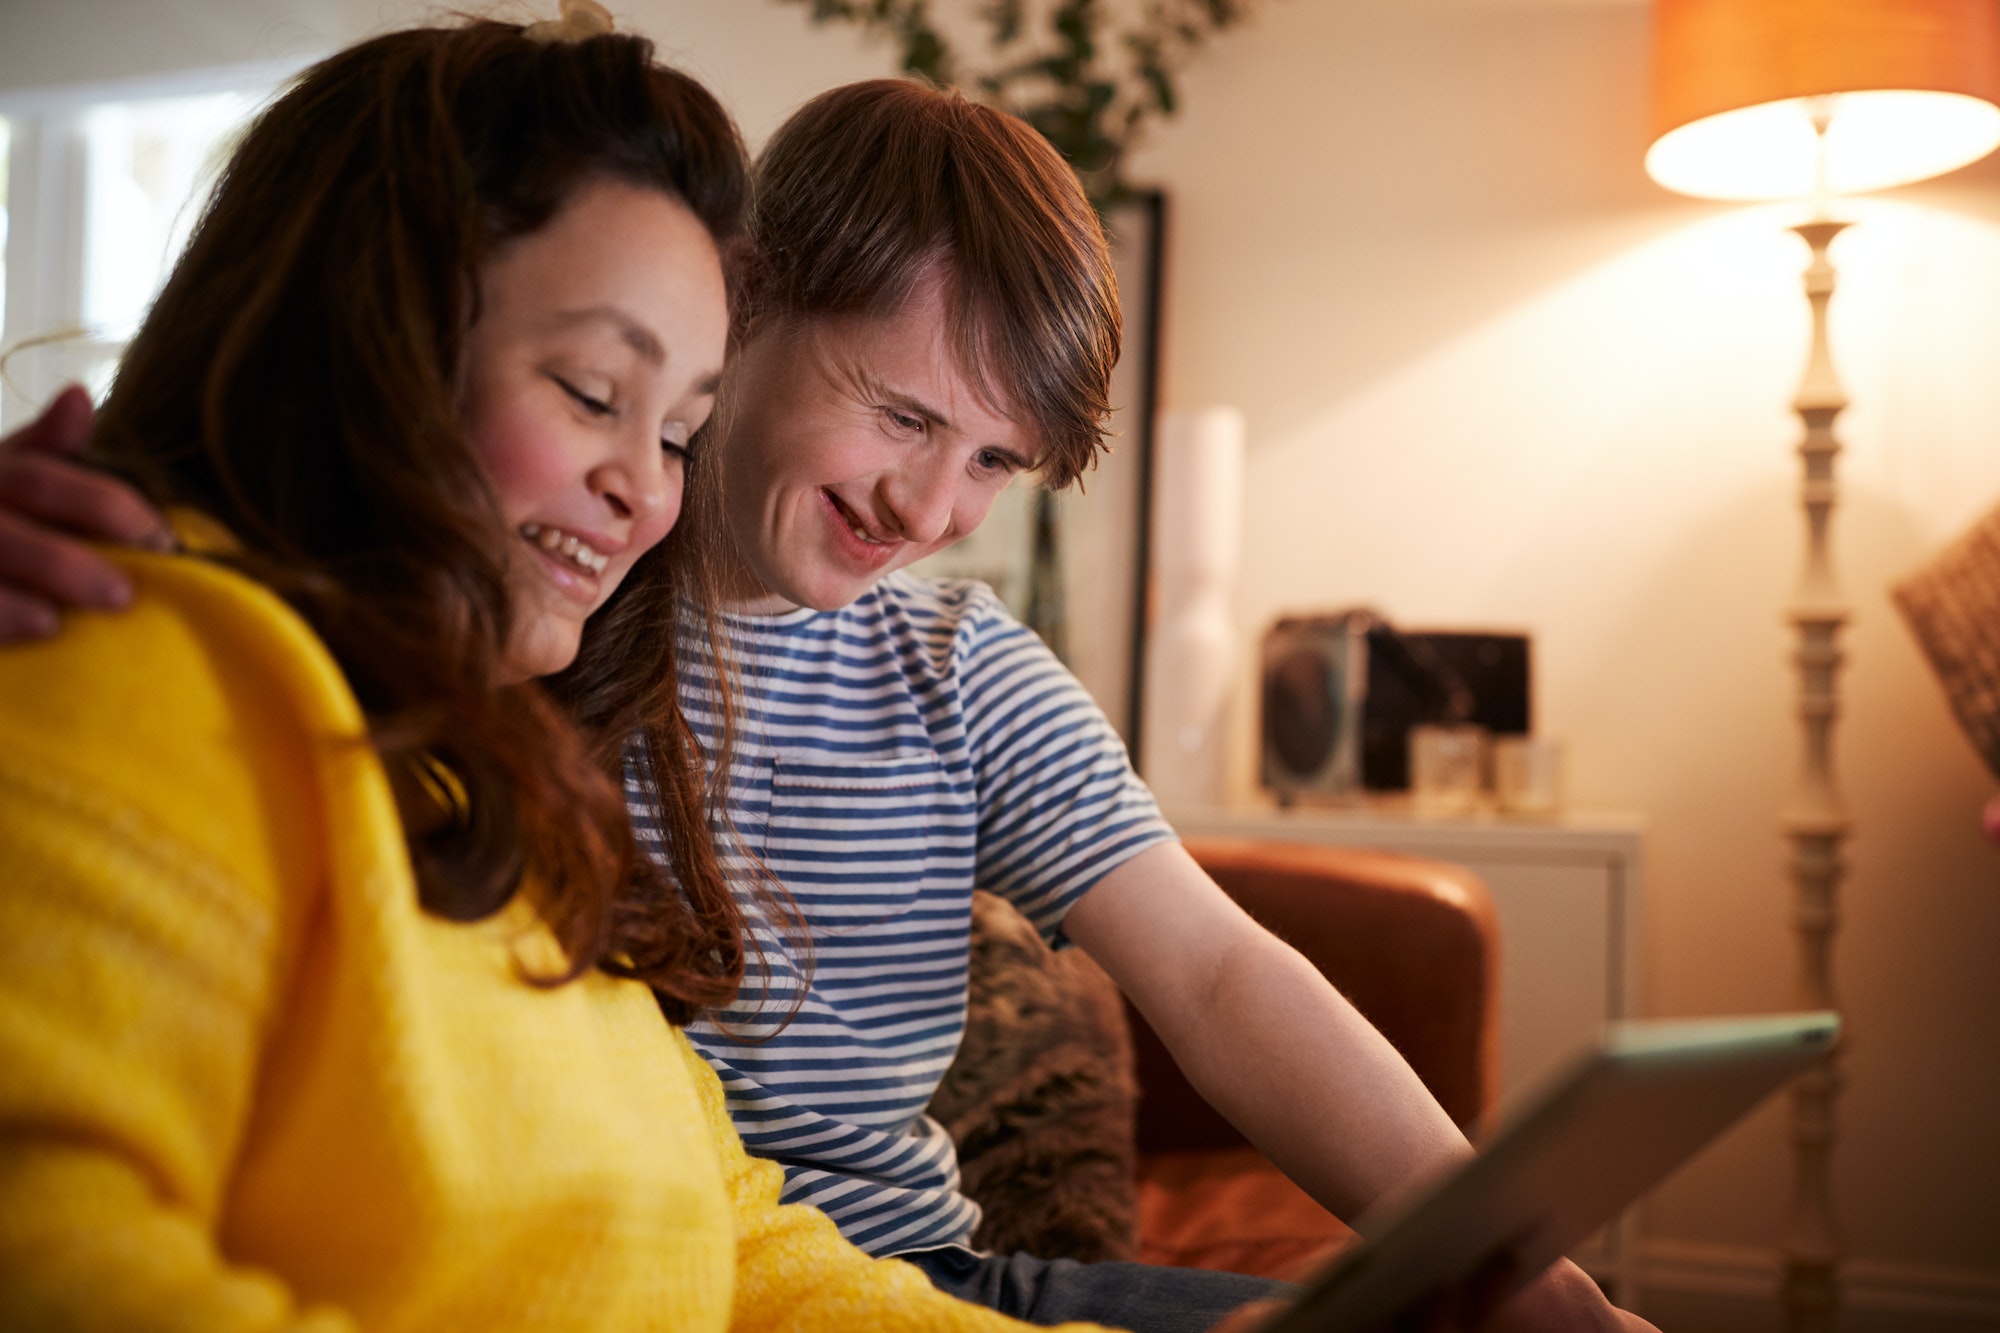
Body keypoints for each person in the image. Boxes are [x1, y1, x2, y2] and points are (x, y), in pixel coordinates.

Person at [0, 59, 1652, 1333]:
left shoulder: (946, 671)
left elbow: (1216, 974)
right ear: (755, 300)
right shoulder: (523, 614)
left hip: (900, 1269)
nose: (936, 510)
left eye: (996, 461)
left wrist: (1493, 1248)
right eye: (903, 417)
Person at [0, 13, 1110, 1331]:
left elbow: (731, 1231)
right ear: (374, 338)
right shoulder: (135, 663)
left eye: (682, 430)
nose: (647, 490)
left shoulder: (507, 779)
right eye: (593, 391)